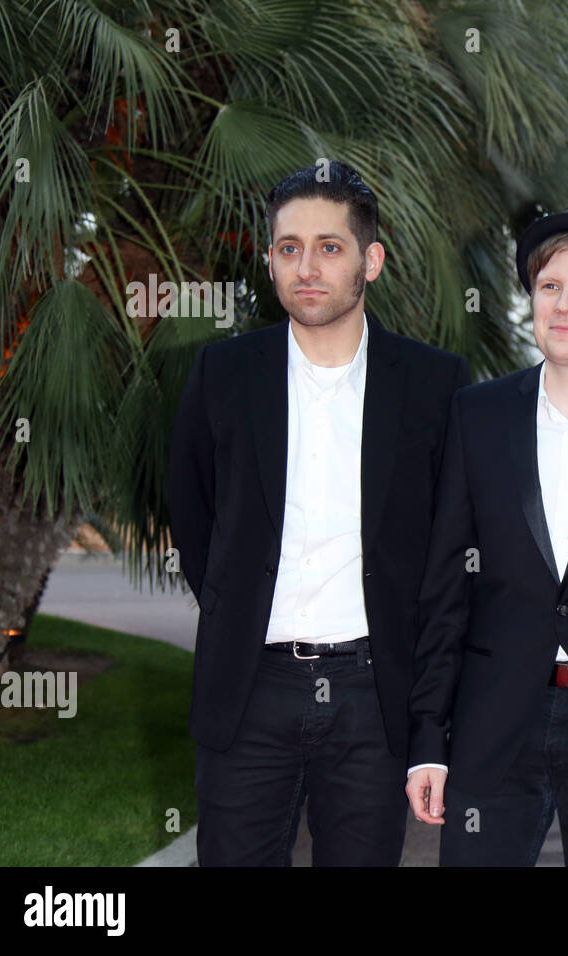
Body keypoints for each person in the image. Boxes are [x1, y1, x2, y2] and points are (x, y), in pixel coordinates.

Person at [169, 161, 469, 866]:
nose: (306, 266)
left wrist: (431, 726)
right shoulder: (222, 373)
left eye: (329, 247)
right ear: (270, 258)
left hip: (373, 697)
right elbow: (193, 513)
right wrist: (232, 606)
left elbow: (450, 560)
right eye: (288, 247)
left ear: (372, 260)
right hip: (249, 691)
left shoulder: (434, 385)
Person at [406, 195, 568, 865]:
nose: (565, 304)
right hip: (494, 724)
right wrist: (428, 742)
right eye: (549, 286)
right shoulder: (478, 416)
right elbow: (443, 592)